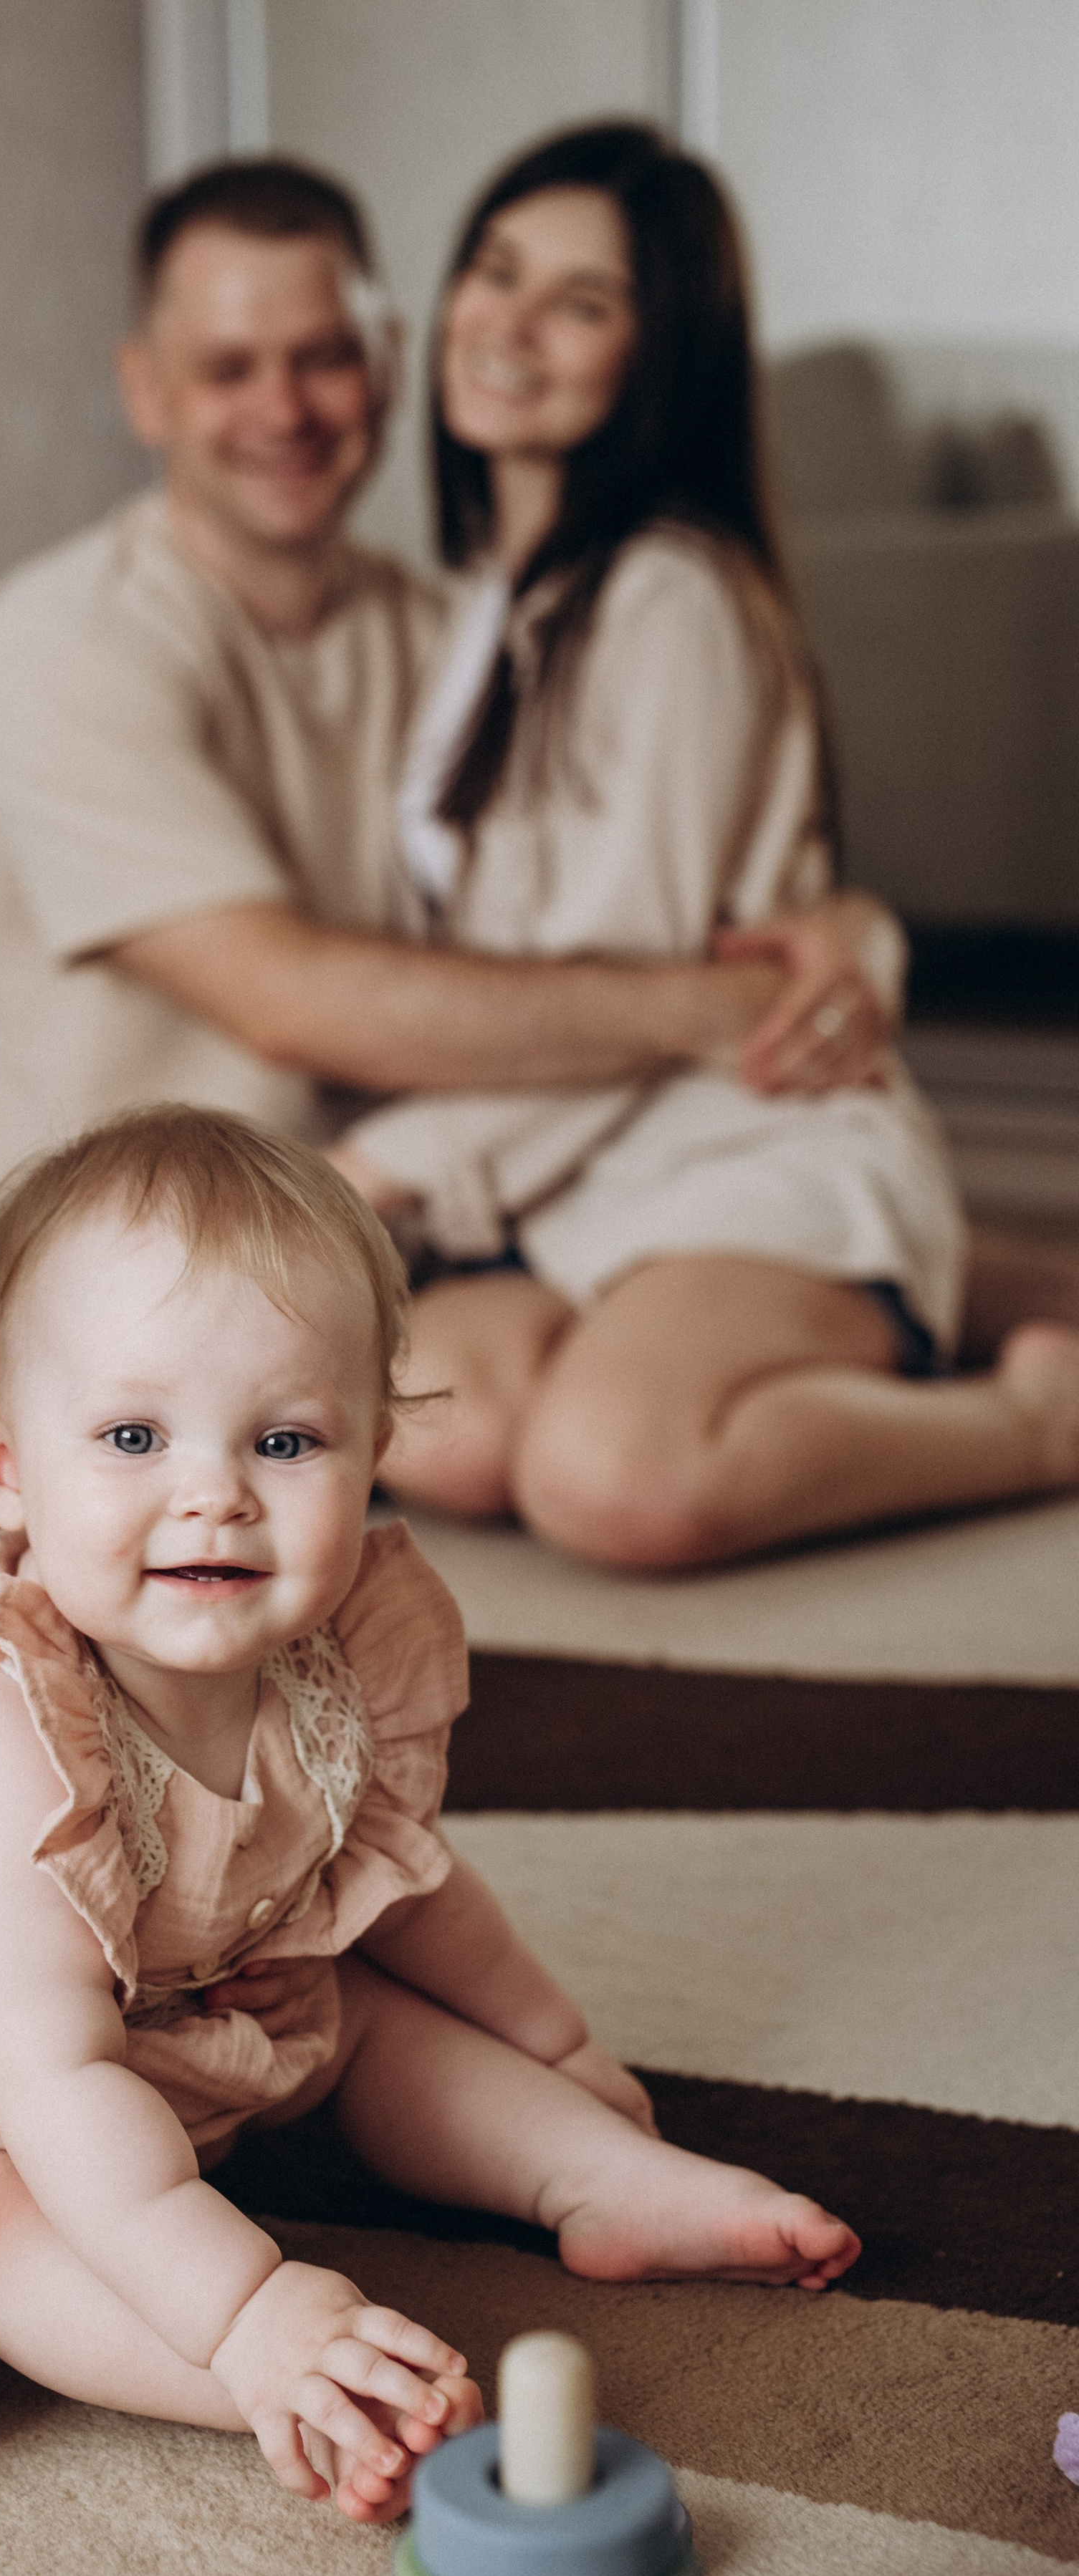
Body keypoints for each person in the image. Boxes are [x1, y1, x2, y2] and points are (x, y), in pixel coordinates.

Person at [0, 1108, 860, 2526]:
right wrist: (251, 2303)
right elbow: (54, 2077)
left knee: (356, 2008)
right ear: (5, 1467)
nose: (212, 1495)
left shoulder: (329, 1659)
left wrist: (555, 2048)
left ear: (373, 1448)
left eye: (283, 1439)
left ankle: (598, 2183)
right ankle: (270, 2380)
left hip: (170, 1988)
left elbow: (404, 1878)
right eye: (131, 1435)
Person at [0, 154, 876, 1328]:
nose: (284, 412)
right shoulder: (58, 646)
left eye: (322, 357)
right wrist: (702, 1008)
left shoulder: (456, 637)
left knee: (545, 1410)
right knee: (513, 1433)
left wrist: (852, 930)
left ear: (383, 360)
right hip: (125, 1256)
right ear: (146, 392)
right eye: (228, 371)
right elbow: (285, 999)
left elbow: (656, 858)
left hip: (394, 1220)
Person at [324, 122, 1079, 1562]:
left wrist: (383, 1171)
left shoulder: (666, 596)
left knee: (609, 1478)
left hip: (741, 1135)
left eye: (581, 303)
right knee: (438, 1422)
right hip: (576, 1176)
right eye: (494, 271)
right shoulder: (485, 600)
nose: (510, 324)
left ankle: (1030, 1411)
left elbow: (625, 993)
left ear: (655, 355)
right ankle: (915, 1303)